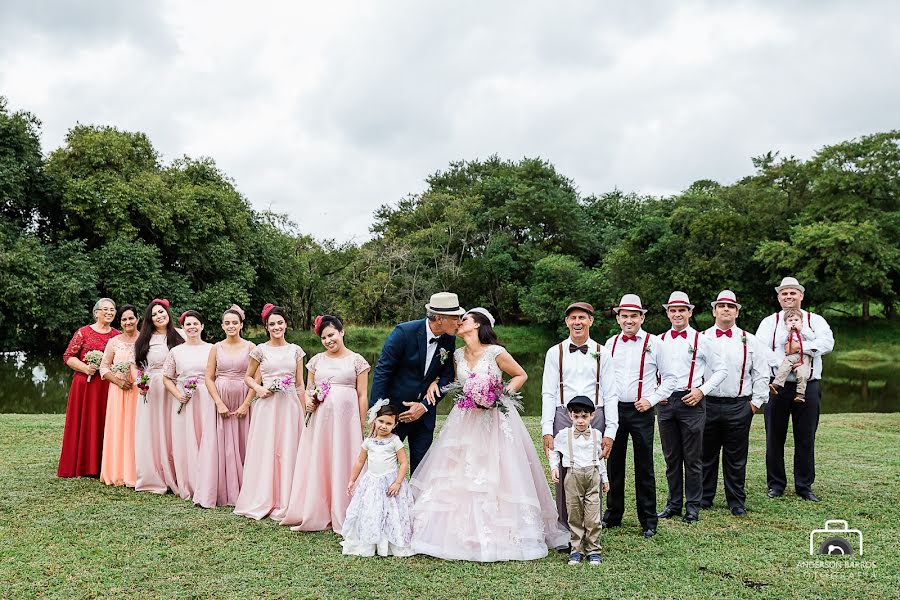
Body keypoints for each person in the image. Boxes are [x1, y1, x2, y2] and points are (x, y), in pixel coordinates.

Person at [409, 308, 569, 562]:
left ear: (478, 325)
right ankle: (454, 532)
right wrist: (434, 381)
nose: (460, 323)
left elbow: (521, 375)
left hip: (495, 418)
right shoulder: (457, 354)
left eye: (465, 320)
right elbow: (449, 378)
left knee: (499, 471)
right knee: (459, 471)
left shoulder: (496, 352)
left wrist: (498, 395)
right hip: (465, 419)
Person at [282, 314, 370, 533]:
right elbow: (308, 388)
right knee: (321, 459)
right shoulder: (316, 361)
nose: (328, 340)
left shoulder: (357, 361)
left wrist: (361, 423)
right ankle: (318, 508)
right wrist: (309, 402)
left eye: (331, 335)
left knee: (344, 458)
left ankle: (346, 509)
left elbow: (362, 395)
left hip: (346, 423)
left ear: (342, 332)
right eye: (323, 338)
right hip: (321, 422)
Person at [541, 301, 618, 533]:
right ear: (566, 322)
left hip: (596, 415)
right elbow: (548, 391)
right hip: (563, 415)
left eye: (582, 318)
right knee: (565, 474)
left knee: (594, 469)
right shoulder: (555, 352)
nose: (577, 322)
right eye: (573, 318)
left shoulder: (602, 352)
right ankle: (566, 530)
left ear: (591, 321)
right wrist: (547, 428)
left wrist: (611, 431)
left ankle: (592, 528)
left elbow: (611, 392)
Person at [755, 277, 834, 502]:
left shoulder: (814, 320)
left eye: (793, 293)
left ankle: (804, 485)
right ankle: (776, 484)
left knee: (806, 436)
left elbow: (827, 344)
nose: (788, 297)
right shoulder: (769, 323)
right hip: (777, 385)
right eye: (784, 294)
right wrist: (783, 361)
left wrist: (802, 348)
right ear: (779, 297)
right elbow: (760, 349)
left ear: (801, 295)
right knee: (774, 435)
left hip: (807, 385)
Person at [368, 292, 460, 475]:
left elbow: (448, 377)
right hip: (394, 413)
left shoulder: (449, 339)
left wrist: (424, 406)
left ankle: (418, 504)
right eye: (455, 317)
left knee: (422, 470)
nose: (459, 322)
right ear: (439, 319)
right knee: (383, 465)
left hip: (424, 416)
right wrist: (377, 413)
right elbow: (382, 371)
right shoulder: (403, 332)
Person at [655, 291, 727, 524]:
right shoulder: (658, 341)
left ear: (690, 312)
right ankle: (673, 504)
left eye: (681, 310)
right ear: (667, 313)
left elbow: (721, 370)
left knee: (693, 457)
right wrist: (657, 394)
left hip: (691, 400)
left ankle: (693, 506)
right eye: (673, 310)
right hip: (666, 403)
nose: (677, 314)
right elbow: (648, 371)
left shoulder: (701, 340)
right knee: (671, 456)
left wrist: (701, 391)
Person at [234, 304, 307, 521]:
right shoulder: (259, 350)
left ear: (286, 324)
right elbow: (247, 377)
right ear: (267, 327)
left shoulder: (295, 350)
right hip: (267, 406)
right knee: (267, 448)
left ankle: (287, 499)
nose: (277, 327)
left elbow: (300, 384)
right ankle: (263, 496)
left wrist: (305, 413)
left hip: (290, 406)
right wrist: (259, 389)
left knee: (287, 448)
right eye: (272, 324)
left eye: (280, 323)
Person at [700, 291, 769, 516]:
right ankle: (704, 497)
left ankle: (736, 501)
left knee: (736, 457)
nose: (726, 309)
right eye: (721, 306)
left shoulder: (751, 340)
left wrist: (755, 403)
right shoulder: (701, 338)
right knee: (706, 454)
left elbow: (761, 373)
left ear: (737, 312)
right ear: (714, 311)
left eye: (730, 306)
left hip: (739, 405)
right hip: (707, 403)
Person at [602, 294, 664, 538]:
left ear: (642, 317)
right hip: (615, 410)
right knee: (613, 463)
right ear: (618, 318)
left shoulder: (654, 343)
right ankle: (613, 514)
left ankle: (648, 520)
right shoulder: (609, 344)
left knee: (644, 465)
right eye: (624, 316)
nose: (629, 320)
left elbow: (669, 378)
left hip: (642, 411)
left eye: (634, 316)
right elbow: (604, 377)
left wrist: (651, 399)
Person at [340, 402, 414, 557]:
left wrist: (398, 482)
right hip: (372, 482)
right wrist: (352, 480)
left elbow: (404, 462)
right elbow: (360, 461)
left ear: (394, 425)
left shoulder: (395, 441)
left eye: (389, 423)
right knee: (371, 510)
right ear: (375, 420)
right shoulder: (368, 442)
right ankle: (370, 541)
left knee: (390, 512)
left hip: (390, 483)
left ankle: (388, 543)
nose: (384, 426)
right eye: (381, 421)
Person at [57, 298, 120, 478]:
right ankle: (81, 464)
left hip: (106, 385)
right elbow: (68, 356)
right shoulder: (84, 332)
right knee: (83, 421)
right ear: (96, 312)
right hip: (85, 384)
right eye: (105, 309)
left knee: (103, 421)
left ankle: (102, 465)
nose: (109, 312)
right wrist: (85, 368)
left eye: (112, 309)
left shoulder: (117, 336)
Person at [200, 304, 255, 507]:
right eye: (227, 323)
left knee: (243, 441)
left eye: (235, 323)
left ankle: (245, 489)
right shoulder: (216, 347)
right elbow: (208, 377)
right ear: (222, 326)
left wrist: (247, 404)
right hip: (221, 398)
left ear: (241, 325)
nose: (231, 326)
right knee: (221, 443)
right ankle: (221, 489)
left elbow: (256, 378)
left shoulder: (251, 348)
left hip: (243, 397)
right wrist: (218, 402)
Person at [549, 396, 610, 567]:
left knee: (593, 516)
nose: (580, 421)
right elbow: (553, 451)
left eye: (584, 416)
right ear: (570, 416)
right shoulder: (563, 435)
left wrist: (604, 478)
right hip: (573, 475)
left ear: (593, 416)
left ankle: (594, 550)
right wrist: (554, 467)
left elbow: (600, 459)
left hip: (592, 475)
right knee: (574, 514)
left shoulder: (597, 435)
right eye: (576, 417)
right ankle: (576, 550)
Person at [134, 299, 185, 494]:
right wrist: (141, 383)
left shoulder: (180, 334)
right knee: (155, 429)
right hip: (154, 388)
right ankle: (155, 475)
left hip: (175, 387)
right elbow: (138, 366)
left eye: (162, 312)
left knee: (175, 428)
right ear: (149, 319)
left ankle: (179, 473)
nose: (159, 316)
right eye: (154, 314)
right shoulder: (145, 339)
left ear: (168, 313)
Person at [163, 310, 213, 504]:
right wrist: (178, 395)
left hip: (207, 397)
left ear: (202, 326)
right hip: (185, 399)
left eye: (195, 324)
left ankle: (208, 482)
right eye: (187, 324)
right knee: (187, 440)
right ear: (182, 328)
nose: (192, 327)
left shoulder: (212, 349)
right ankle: (189, 482)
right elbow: (167, 378)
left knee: (206, 438)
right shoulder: (176, 351)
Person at [99, 304, 140, 487]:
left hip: (139, 390)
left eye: (131, 318)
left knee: (137, 429)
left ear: (138, 319)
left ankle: (139, 472)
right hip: (119, 390)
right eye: (124, 319)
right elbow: (104, 366)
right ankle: (117, 471)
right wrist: (117, 381)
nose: (128, 322)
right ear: (120, 322)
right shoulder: (114, 342)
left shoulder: (146, 339)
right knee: (119, 429)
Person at [768, 307, 813, 403]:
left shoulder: (805, 330)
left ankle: (800, 394)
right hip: (791, 356)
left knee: (802, 372)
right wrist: (787, 332)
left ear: (801, 322)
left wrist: (802, 330)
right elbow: (781, 342)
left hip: (803, 355)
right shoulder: (786, 333)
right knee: (785, 365)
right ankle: (776, 384)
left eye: (796, 320)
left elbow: (812, 338)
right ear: (786, 323)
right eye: (790, 320)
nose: (793, 322)